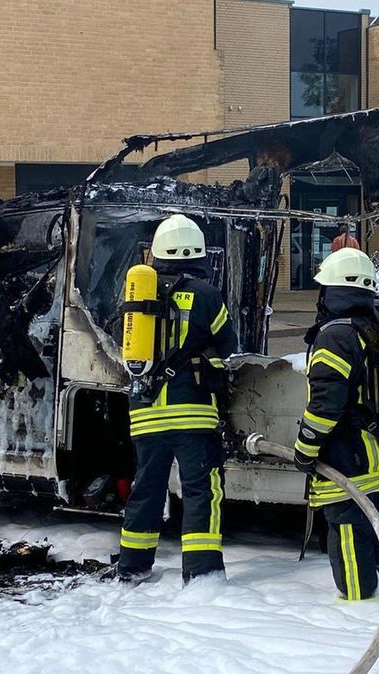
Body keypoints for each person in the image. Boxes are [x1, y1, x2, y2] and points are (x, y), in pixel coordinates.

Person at [116, 214, 238, 584]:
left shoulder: (139, 293)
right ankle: (201, 574)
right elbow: (229, 344)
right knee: (202, 490)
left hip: (146, 411)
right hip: (193, 414)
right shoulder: (206, 294)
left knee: (146, 489)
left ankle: (132, 567)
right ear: (198, 254)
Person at [294, 248, 379, 600]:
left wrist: (305, 449)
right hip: (372, 453)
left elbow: (326, 404)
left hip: (345, 457)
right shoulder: (370, 329)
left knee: (349, 532)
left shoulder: (334, 336)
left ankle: (360, 609)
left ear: (333, 292)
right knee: (370, 528)